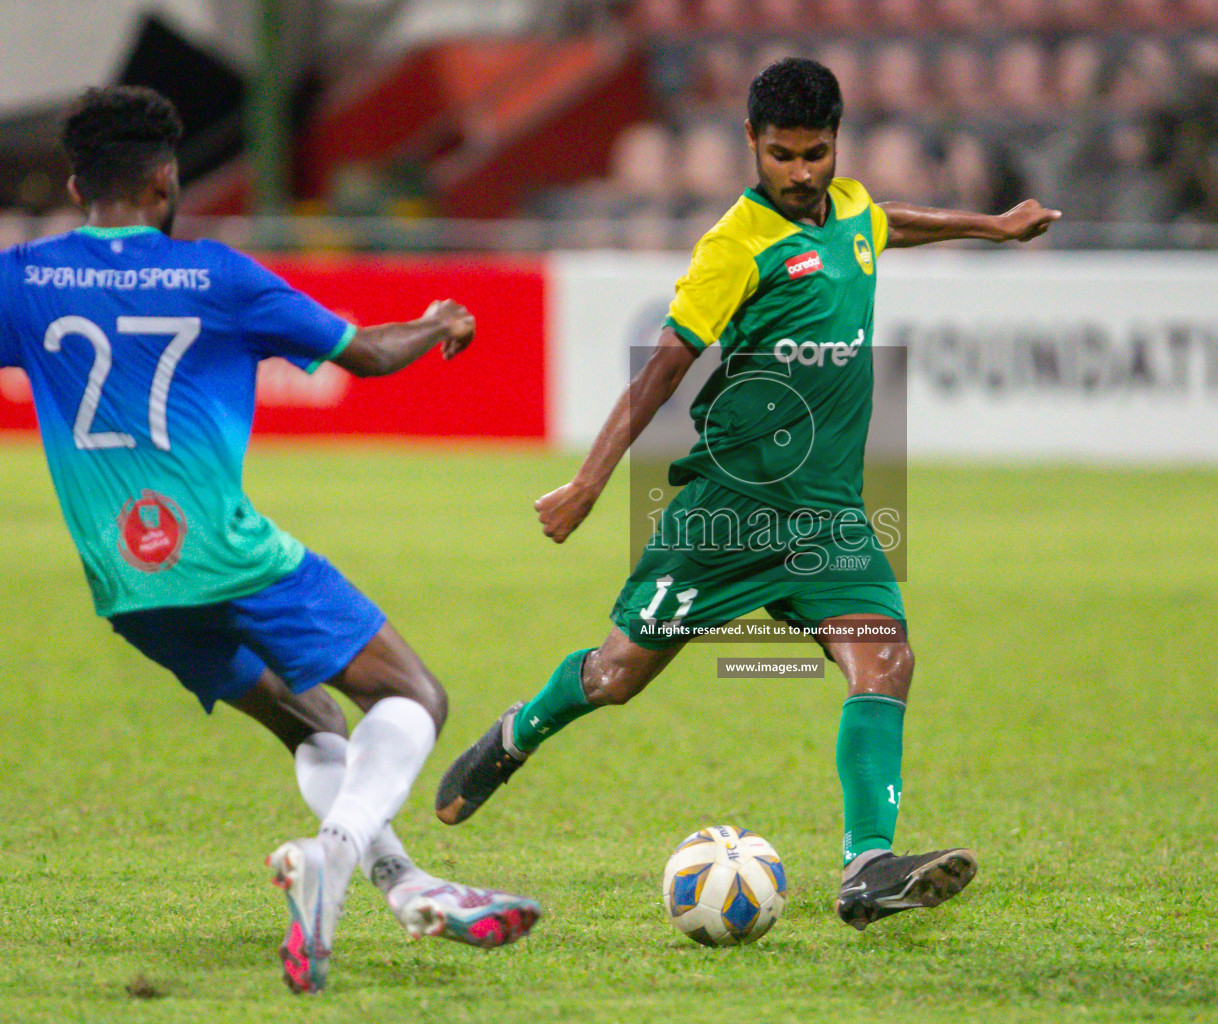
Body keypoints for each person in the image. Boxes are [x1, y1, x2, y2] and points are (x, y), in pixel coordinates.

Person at [436, 58, 1058, 931]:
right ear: (749, 145)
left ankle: (867, 868)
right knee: (616, 676)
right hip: (728, 512)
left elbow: (882, 225)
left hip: (830, 510)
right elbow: (661, 372)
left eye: (816, 153)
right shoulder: (735, 246)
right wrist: (588, 482)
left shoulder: (849, 206)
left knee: (886, 657)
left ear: (836, 142)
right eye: (782, 155)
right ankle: (516, 734)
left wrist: (992, 228)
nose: (802, 174)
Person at [0, 86, 539, 994]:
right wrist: (443, 322)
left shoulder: (23, 278)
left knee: (312, 720)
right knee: (413, 694)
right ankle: (330, 856)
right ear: (167, 180)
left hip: (124, 580)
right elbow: (364, 354)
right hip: (221, 549)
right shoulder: (216, 275)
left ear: (74, 182)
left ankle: (405, 884)